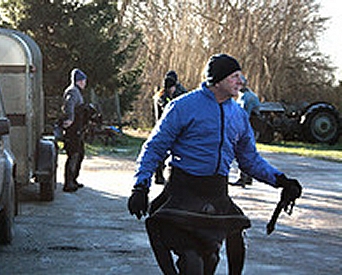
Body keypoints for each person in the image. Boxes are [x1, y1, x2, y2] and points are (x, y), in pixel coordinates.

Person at [128, 54, 302, 274]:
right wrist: (140, 186)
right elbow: (154, 148)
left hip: (217, 195)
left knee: (211, 258)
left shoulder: (238, 115)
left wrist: (280, 180)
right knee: (192, 262)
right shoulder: (182, 107)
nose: (241, 81)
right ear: (216, 80)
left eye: (241, 76)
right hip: (182, 194)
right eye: (234, 77)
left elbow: (250, 160)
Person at [61, 68, 88, 192]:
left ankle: (74, 180)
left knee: (80, 154)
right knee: (73, 154)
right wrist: (70, 119)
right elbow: (69, 106)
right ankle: (68, 182)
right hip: (72, 130)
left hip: (78, 129)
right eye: (82, 80)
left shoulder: (77, 91)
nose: (84, 83)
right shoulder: (72, 91)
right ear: (78, 81)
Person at [231, 76, 261, 187]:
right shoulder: (252, 95)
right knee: (249, 152)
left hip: (249, 128)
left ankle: (242, 178)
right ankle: (248, 178)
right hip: (255, 128)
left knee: (243, 152)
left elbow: (243, 116)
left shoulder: (244, 97)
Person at [153, 76, 178, 184]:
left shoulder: (164, 96)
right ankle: (158, 175)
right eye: (173, 87)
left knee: (166, 153)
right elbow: (166, 108)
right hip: (163, 127)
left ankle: (161, 174)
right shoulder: (163, 97)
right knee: (163, 153)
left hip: (165, 126)